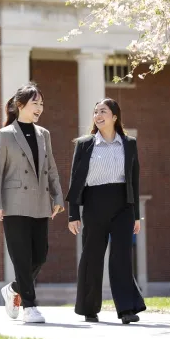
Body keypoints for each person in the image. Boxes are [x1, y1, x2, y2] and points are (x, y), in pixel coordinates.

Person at [66, 98, 146, 324]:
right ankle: (89, 308)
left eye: (103, 111)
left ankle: (127, 309)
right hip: (94, 204)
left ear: (114, 116)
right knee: (92, 257)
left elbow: (134, 180)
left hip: (123, 206)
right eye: (95, 112)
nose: (98, 115)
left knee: (121, 257)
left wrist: (136, 214)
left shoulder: (129, 143)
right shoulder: (84, 144)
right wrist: (73, 214)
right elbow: (75, 180)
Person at [0, 82, 65, 324]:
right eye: (35, 103)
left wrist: (58, 196)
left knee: (40, 255)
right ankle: (30, 306)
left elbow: (51, 168)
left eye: (41, 104)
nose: (40, 108)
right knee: (21, 256)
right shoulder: (5, 135)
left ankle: (13, 288)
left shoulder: (44, 134)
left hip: (40, 202)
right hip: (14, 203)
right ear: (20, 105)